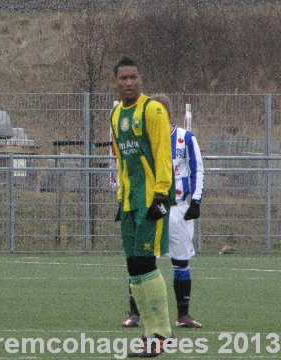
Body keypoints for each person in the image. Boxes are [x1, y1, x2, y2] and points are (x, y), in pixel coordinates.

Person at [110, 57, 176, 357]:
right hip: (129, 201)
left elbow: (164, 152)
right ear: (115, 82)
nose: (129, 83)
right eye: (123, 78)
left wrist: (162, 194)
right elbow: (122, 161)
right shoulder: (115, 115)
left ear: (141, 79)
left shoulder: (153, 110)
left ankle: (161, 334)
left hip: (152, 198)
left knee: (146, 263)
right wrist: (121, 197)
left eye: (133, 77)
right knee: (133, 267)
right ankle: (149, 334)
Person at [122, 93, 204, 329]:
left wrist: (196, 201)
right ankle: (135, 313)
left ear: (165, 114)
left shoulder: (185, 138)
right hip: (150, 208)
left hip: (178, 208)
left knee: (181, 260)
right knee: (142, 260)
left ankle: (183, 314)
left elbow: (198, 170)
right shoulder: (142, 140)